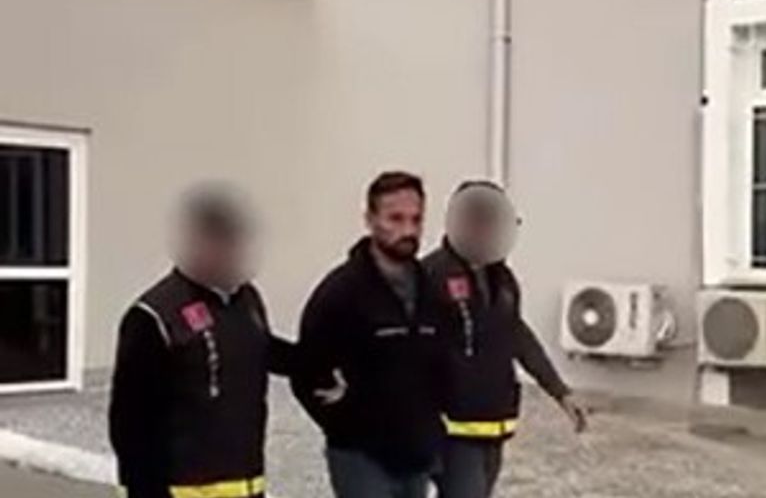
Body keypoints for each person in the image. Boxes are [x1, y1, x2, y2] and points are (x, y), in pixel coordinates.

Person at [109, 185, 300, 498]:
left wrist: (322, 360)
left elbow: (260, 348)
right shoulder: (154, 316)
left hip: (245, 482)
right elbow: (130, 424)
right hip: (182, 489)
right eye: (226, 246)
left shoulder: (245, 300)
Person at [423, 180, 587, 498]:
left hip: (493, 424)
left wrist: (560, 392)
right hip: (451, 430)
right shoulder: (432, 276)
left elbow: (516, 335)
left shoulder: (502, 279)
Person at [291, 171, 447, 498]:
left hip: (416, 457)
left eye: (416, 219)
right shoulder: (341, 293)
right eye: (395, 219)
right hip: (360, 458)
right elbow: (305, 369)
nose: (408, 230)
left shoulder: (431, 290)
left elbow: (440, 361)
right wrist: (344, 424)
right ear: (370, 220)